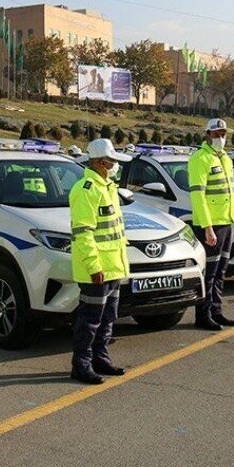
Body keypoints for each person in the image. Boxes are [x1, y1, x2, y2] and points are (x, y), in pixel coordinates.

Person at [68, 138, 131, 385]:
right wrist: (94, 266)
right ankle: (81, 365)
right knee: (90, 320)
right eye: (111, 161)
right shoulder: (86, 190)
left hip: (113, 268)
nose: (115, 165)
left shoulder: (108, 187)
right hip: (97, 270)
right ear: (98, 162)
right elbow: (83, 233)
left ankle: (100, 358)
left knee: (107, 317)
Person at [188, 118, 234, 331]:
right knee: (209, 273)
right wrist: (207, 228)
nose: (221, 137)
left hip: (226, 222)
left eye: (223, 134)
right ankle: (203, 315)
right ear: (207, 135)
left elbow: (231, 191)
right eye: (217, 134)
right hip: (211, 225)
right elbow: (198, 196)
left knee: (221, 271)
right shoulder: (200, 159)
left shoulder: (225, 158)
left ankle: (216, 312)